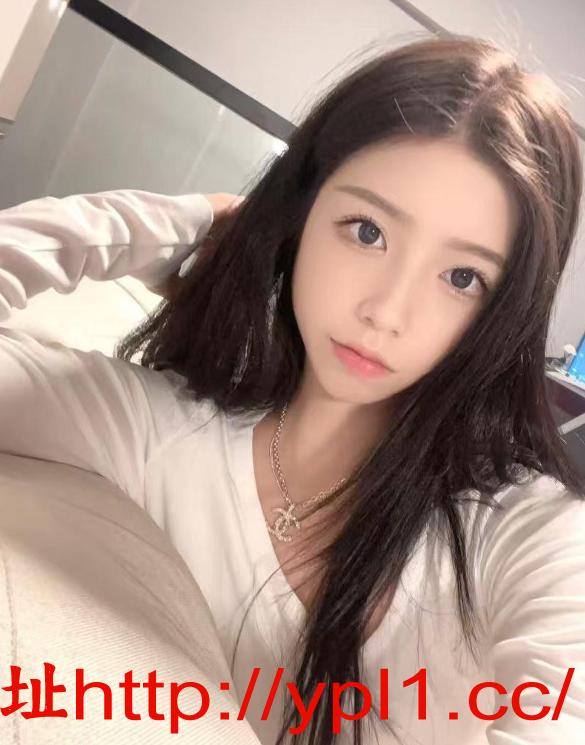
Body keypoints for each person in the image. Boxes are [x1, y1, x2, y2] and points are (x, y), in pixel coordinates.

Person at [1, 34, 584, 745]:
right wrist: (191, 224)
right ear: (299, 214)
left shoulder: (517, 528)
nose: (387, 312)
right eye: (366, 231)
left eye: (462, 277)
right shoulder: (155, 429)